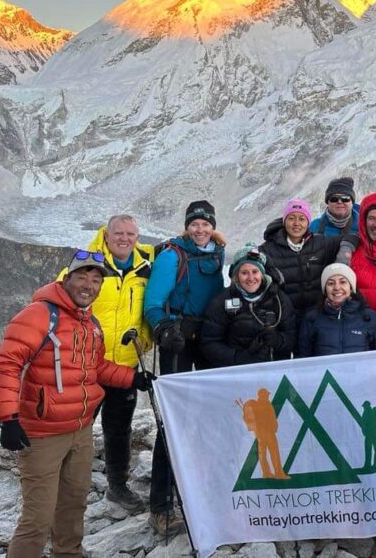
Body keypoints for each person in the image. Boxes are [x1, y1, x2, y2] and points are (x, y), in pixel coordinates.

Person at [0, 250, 153, 558]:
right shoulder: (39, 314)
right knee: (37, 516)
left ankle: (69, 554)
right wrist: (8, 418)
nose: (88, 285)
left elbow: (96, 367)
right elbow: (6, 365)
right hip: (41, 435)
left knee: (74, 503)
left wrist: (131, 378)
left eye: (96, 280)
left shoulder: (89, 322)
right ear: (67, 279)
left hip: (80, 431)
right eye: (82, 277)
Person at [57, 214, 155, 510]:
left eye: (130, 234)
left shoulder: (146, 268)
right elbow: (59, 300)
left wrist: (147, 339)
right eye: (119, 233)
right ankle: (63, 488)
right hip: (87, 365)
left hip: (125, 364)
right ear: (107, 235)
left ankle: (117, 486)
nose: (124, 239)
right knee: (75, 426)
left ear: (138, 237)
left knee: (119, 428)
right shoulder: (87, 266)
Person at [295, 265, 376, 557]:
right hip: (326, 405)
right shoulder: (312, 319)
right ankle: (333, 522)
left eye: (343, 282)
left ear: (351, 287)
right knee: (328, 462)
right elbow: (302, 361)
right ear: (324, 288)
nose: (337, 287)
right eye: (331, 283)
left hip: (361, 406)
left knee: (369, 466)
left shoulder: (368, 318)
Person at [143, 199, 226, 535]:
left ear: (213, 226)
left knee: (206, 415)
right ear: (187, 226)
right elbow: (153, 300)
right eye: (195, 223)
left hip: (205, 339)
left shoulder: (216, 253)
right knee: (173, 421)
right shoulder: (171, 256)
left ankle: (202, 491)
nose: (200, 229)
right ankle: (161, 506)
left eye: (206, 223)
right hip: (178, 339)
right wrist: (163, 328)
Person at [201, 244, 297, 367]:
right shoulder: (222, 301)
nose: (251, 278)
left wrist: (278, 341)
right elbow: (210, 343)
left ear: (262, 274)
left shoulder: (279, 299)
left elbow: (292, 336)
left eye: (255, 272)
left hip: (274, 370)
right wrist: (238, 357)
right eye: (244, 273)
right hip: (238, 373)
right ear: (237, 276)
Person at [259, 198, 357, 318]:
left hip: (317, 316)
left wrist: (345, 252)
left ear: (308, 222)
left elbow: (352, 237)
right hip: (286, 317)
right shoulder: (268, 249)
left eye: (301, 219)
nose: (296, 223)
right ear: (284, 221)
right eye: (291, 218)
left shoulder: (320, 243)